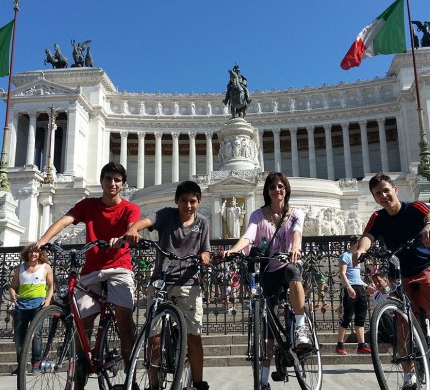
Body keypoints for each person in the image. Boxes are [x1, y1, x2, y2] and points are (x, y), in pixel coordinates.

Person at [35, 162, 140, 390]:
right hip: (91, 271)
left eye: (117, 180)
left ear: (122, 185)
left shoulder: (129, 208)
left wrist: (126, 235)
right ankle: (82, 366)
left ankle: (130, 373)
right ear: (101, 181)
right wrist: (43, 240)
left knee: (124, 322)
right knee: (83, 322)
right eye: (108, 178)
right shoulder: (88, 205)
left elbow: (132, 226)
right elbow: (66, 220)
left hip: (119, 268)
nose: (112, 183)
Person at [353, 173, 430, 390]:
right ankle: (409, 378)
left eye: (386, 190)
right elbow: (368, 236)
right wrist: (362, 249)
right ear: (375, 199)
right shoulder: (378, 217)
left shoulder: (414, 207)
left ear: (395, 189)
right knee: (402, 328)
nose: (384, 196)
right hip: (399, 275)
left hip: (425, 269)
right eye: (378, 194)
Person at [122, 180, 211, 390]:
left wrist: (205, 257)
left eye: (192, 201)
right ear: (176, 201)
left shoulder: (203, 222)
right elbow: (145, 222)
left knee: (194, 336)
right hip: (161, 281)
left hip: (189, 283)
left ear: (199, 202)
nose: (188, 205)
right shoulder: (165, 215)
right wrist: (133, 229)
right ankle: (154, 384)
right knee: (154, 336)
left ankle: (197, 384)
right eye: (183, 201)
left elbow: (205, 250)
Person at [223, 171, 307, 390]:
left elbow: (297, 233)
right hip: (268, 269)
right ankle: (262, 380)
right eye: (272, 187)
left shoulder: (296, 213)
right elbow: (248, 236)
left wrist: (295, 248)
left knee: (293, 272)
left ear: (286, 189)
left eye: (280, 186)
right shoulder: (258, 215)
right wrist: (232, 250)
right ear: (267, 191)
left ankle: (300, 327)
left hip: (289, 262)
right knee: (267, 328)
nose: (277, 190)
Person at [8, 244, 54, 375]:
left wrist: (48, 299)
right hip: (21, 305)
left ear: (40, 254)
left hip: (38, 304)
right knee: (19, 336)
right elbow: (12, 286)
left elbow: (51, 286)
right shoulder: (20, 268)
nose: (33, 254)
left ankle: (36, 363)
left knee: (36, 334)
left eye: (36, 252)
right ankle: (21, 365)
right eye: (30, 252)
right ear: (26, 254)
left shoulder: (46, 268)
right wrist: (12, 294)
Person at [335, 235, 372, 355]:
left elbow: (357, 277)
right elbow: (342, 273)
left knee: (360, 318)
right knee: (346, 317)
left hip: (359, 288)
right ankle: (340, 345)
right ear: (355, 243)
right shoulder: (345, 256)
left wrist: (366, 286)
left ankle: (361, 345)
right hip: (349, 289)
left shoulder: (357, 258)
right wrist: (349, 287)